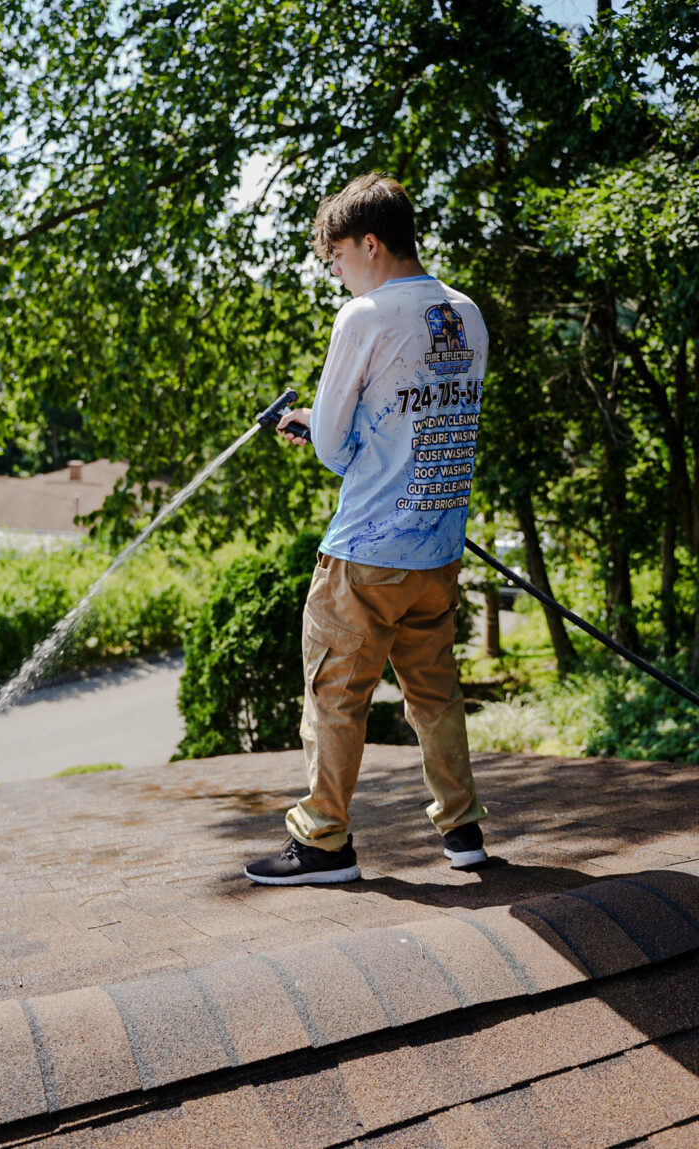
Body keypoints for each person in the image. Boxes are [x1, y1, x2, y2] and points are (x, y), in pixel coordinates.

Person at [245, 173, 489, 886]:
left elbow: (331, 444)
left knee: (334, 697)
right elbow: (435, 425)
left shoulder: (365, 317)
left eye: (337, 259)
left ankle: (323, 841)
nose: (337, 274)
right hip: (437, 552)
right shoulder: (467, 314)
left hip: (363, 556)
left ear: (371, 244)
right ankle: (463, 828)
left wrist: (311, 430)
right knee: (434, 695)